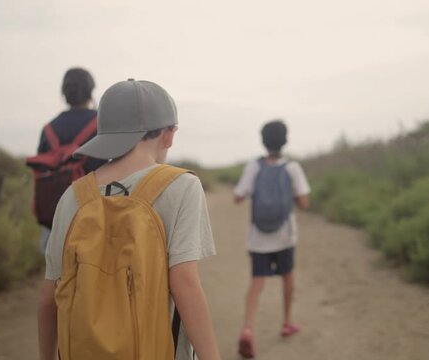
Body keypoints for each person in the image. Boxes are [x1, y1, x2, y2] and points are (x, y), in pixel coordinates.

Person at [37, 79, 221, 360]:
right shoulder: (181, 186)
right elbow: (184, 282)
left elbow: (50, 297)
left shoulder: (73, 197)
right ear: (168, 135)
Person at [233, 120, 311, 359]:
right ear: (285, 140)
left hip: (258, 237)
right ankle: (287, 322)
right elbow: (304, 203)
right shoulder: (292, 168)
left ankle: (247, 329)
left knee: (257, 282)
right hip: (285, 236)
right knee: (287, 277)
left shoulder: (254, 167)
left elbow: (238, 197)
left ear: (263, 141)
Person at [34, 67, 104, 253]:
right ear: (90, 91)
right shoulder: (102, 125)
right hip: (94, 216)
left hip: (54, 216)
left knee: (56, 275)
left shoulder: (48, 130)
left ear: (64, 92)